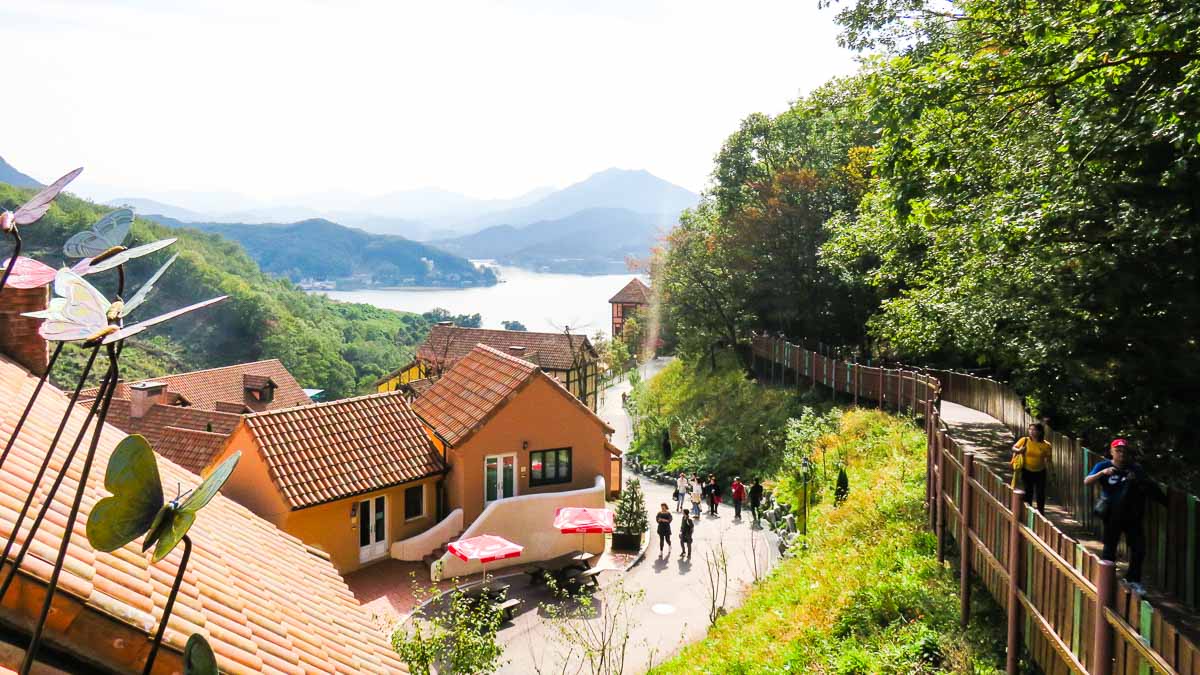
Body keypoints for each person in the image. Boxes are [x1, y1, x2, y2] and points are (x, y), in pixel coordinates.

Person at [1084, 438, 1167, 594]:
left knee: (1138, 549)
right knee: (1110, 547)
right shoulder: (1103, 466)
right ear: (1111, 452)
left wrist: (1137, 481)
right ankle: (1106, 580)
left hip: (1133, 515)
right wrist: (1102, 473)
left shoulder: (1135, 469)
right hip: (1112, 515)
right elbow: (1087, 481)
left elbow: (1149, 485)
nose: (1121, 453)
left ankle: (1133, 580)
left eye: (1124, 451)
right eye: (1118, 450)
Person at [1012, 422, 1053, 513]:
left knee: (1040, 493)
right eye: (1030, 429)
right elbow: (1014, 448)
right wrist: (1019, 450)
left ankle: (1041, 513)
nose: (1031, 431)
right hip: (1027, 470)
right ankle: (1028, 511)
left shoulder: (1046, 445)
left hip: (1040, 472)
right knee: (1028, 492)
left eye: (1034, 430)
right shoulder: (1025, 440)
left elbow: (1049, 460)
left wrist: (1051, 473)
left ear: (1040, 432)